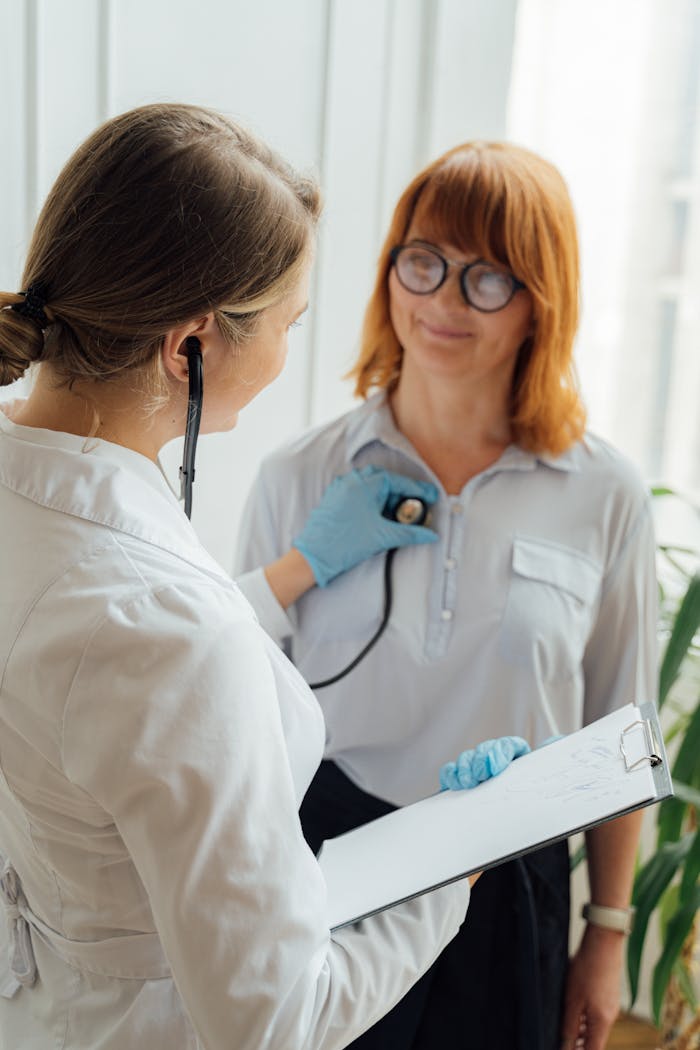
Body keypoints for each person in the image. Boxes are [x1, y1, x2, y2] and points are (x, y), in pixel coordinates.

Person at [0, 104, 529, 1050]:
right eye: (289, 323)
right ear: (192, 347)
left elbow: (100, 678)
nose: (291, 352)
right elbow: (277, 1020)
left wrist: (285, 577)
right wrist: (459, 862)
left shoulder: (34, 507)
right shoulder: (166, 625)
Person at [235, 141, 658, 1050]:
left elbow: (619, 732)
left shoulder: (606, 494)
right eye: (422, 262)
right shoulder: (300, 476)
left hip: (508, 880)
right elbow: (232, 709)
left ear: (540, 301)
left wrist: (607, 936)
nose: (441, 301)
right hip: (334, 868)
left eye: (487, 278)